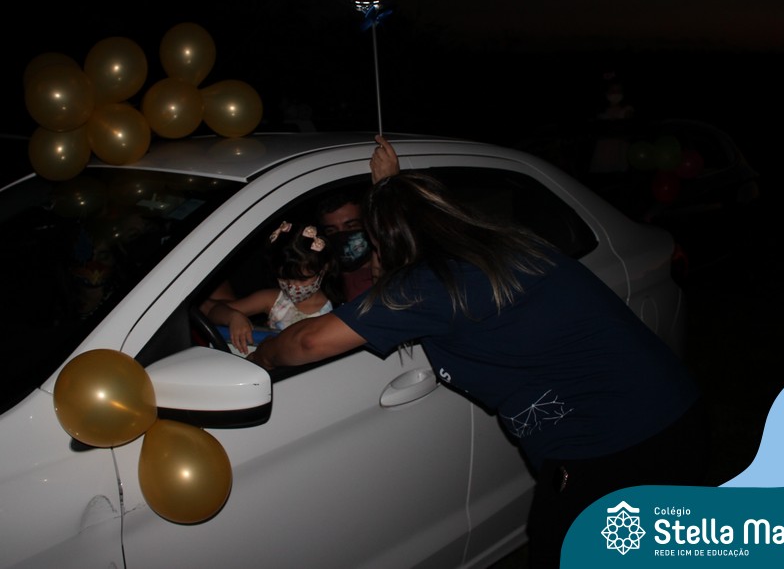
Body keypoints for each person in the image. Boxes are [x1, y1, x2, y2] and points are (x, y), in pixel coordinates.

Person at [247, 164, 709, 568]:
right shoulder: (510, 245)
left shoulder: (427, 285)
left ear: (389, 243)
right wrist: (391, 191)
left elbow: (308, 341)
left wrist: (260, 357)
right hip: (678, 417)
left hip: (611, 456)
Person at [204, 221, 342, 354]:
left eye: (302, 279)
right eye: (284, 278)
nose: (293, 286)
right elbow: (214, 312)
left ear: (325, 267)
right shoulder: (272, 300)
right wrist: (232, 317)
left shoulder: (338, 310)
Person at [314, 134, 401, 301]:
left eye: (351, 226)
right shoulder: (324, 281)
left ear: (368, 225)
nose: (341, 236)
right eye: (332, 230)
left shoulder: (388, 272)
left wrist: (388, 186)